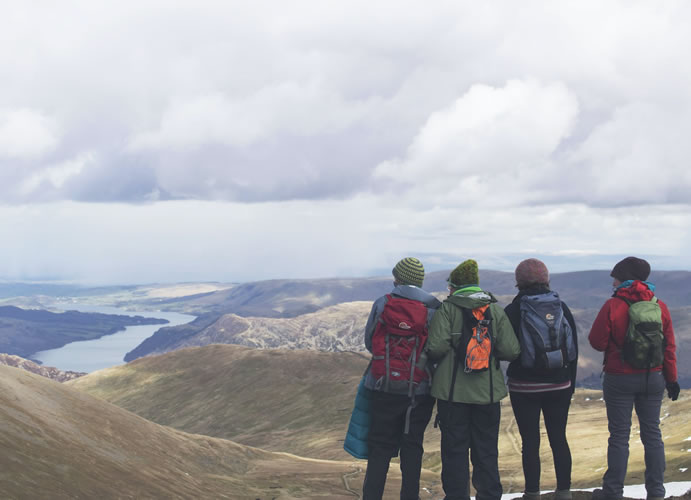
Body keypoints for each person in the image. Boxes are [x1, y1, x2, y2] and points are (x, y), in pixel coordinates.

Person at [427, 259, 520, 500]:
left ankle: (456, 496)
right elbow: (511, 351)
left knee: (454, 451)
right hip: (487, 395)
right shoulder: (495, 311)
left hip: (452, 395)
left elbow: (435, 348)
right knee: (486, 450)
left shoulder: (447, 310)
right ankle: (489, 495)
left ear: (454, 286)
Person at [589, 257, 679, 500]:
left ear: (624, 277)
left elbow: (596, 342)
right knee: (652, 434)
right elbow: (668, 347)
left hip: (619, 377)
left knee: (619, 435)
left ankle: (613, 493)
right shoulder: (659, 306)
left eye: (615, 277)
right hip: (654, 377)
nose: (613, 281)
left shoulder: (613, 305)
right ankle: (657, 492)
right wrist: (671, 379)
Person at [362, 257, 441, 500]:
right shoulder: (434, 308)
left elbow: (369, 342)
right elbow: (437, 350)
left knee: (380, 449)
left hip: (383, 387)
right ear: (420, 280)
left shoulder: (383, 303)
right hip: (419, 391)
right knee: (412, 447)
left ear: (397, 278)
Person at [504, 259, 578, 500]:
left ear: (519, 282)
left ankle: (532, 493)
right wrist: (570, 385)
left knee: (530, 441)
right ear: (547, 279)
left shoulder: (513, 311)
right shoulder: (561, 307)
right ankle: (564, 491)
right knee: (559, 437)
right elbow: (573, 349)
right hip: (560, 384)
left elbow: (506, 349)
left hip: (524, 387)